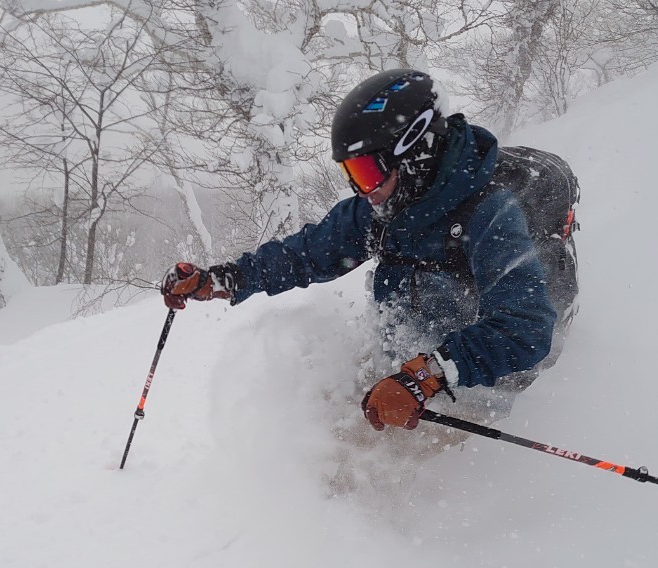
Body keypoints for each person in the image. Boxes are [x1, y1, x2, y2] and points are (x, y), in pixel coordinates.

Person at [160, 68, 566, 432]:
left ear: (416, 155)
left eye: (367, 172)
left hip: (480, 386)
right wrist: (227, 278)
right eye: (352, 175)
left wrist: (427, 376)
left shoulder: (491, 212)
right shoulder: (386, 209)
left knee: (387, 488)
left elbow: (525, 328)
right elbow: (307, 253)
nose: (361, 191)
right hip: (409, 371)